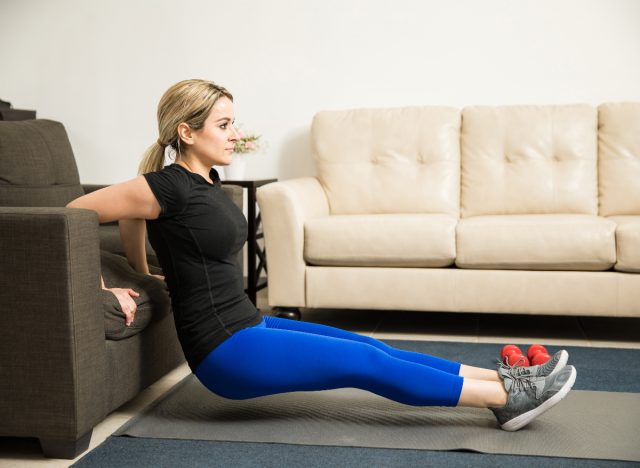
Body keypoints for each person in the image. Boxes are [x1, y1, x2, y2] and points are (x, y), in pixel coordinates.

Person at [67, 79, 576, 432]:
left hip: (248, 325)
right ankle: (508, 401)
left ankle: (508, 380)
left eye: (232, 123)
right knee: (363, 364)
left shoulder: (199, 183)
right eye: (223, 125)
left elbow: (134, 216)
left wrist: (138, 268)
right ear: (187, 131)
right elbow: (72, 215)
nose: (234, 134)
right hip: (225, 351)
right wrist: (105, 284)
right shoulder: (167, 186)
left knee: (370, 347)